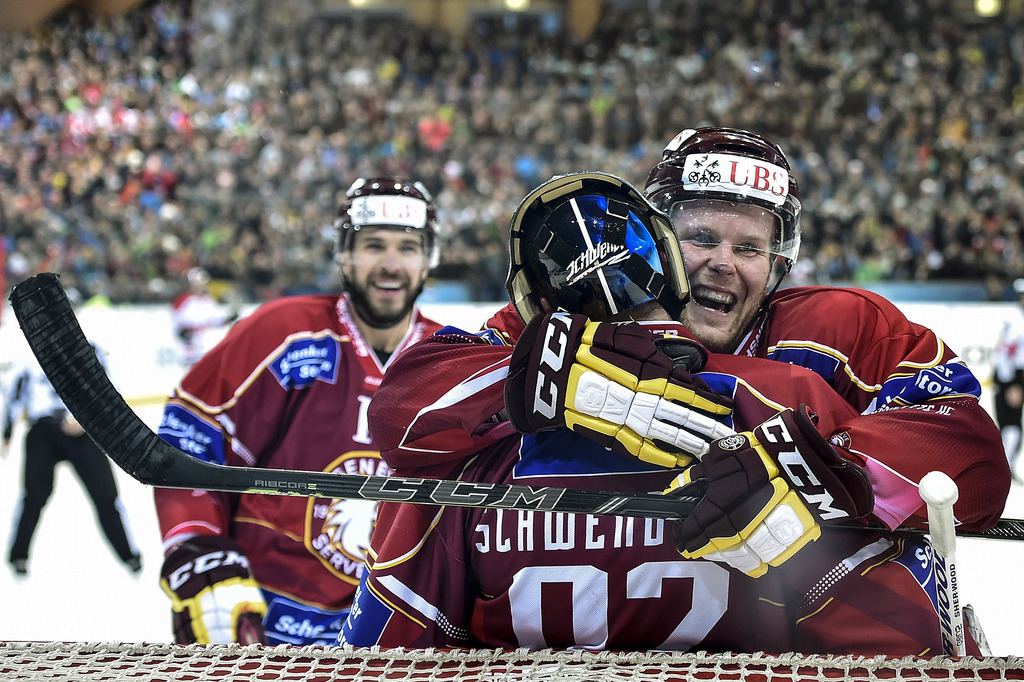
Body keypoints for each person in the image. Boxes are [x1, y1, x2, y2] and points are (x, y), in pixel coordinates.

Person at [340, 172, 1005, 654]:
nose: (722, 263)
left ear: (777, 265)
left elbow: (967, 450)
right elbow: (898, 637)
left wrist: (832, 473)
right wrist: (821, 501)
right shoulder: (790, 394)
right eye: (702, 238)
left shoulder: (840, 329)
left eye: (748, 249)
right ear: (659, 246)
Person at [153, 176, 445, 646]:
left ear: (428, 258)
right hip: (266, 633)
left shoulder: (450, 360)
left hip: (399, 642)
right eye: (374, 246)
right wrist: (200, 555)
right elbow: (188, 444)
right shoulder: (284, 335)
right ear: (344, 254)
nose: (391, 265)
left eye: (408, 248)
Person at [2, 340, 142, 577]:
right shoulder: (26, 350)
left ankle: (128, 554)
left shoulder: (90, 347)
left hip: (83, 432)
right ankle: (18, 556)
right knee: (34, 496)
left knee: (106, 496)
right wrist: (7, 431)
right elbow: (13, 390)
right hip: (43, 431)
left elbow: (108, 387)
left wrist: (90, 419)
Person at [170, 267, 238, 368]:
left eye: (202, 282)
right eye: (197, 282)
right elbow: (177, 322)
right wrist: (183, 332)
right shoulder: (184, 300)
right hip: (190, 348)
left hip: (206, 346)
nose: (201, 285)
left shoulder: (208, 299)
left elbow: (214, 320)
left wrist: (227, 319)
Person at [991, 278, 1024, 484]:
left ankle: (1007, 466)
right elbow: (1005, 351)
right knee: (1011, 422)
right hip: (1012, 376)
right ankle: (1007, 467)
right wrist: (1010, 383)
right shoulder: (1016, 321)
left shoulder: (1015, 318)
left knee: (1011, 422)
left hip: (1011, 375)